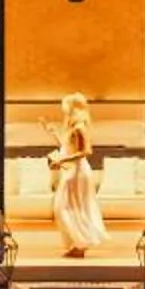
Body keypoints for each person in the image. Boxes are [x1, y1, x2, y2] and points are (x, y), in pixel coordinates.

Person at [47, 92, 106, 254]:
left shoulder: (80, 128)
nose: (64, 110)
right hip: (72, 171)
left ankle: (80, 243)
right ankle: (78, 243)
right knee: (67, 207)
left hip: (78, 172)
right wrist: (53, 134)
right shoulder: (73, 128)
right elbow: (68, 148)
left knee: (65, 207)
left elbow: (86, 151)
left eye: (66, 107)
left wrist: (60, 161)